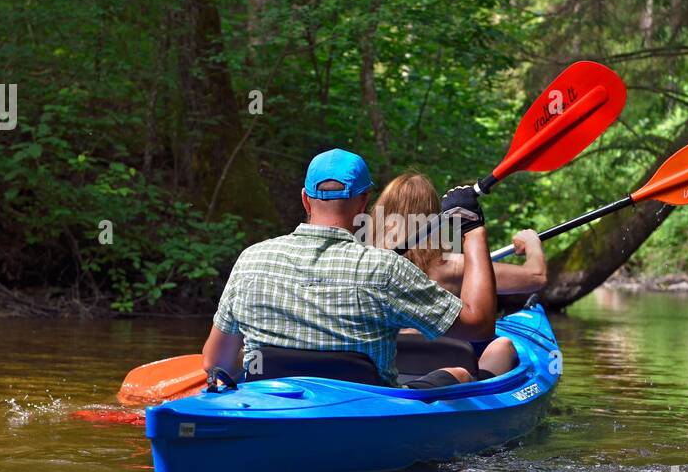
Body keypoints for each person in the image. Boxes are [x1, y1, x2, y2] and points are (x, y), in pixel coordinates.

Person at [202, 149, 496, 389]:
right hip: (367, 414)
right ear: (364, 202)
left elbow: (216, 362)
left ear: (305, 199)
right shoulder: (384, 268)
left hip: (270, 408)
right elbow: (479, 325)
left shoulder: (251, 260)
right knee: (458, 373)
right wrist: (472, 229)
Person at [370, 170, 547, 378]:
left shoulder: (366, 263)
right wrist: (532, 243)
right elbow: (536, 277)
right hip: (449, 373)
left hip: (387, 370)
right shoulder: (453, 266)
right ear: (434, 217)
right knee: (502, 345)